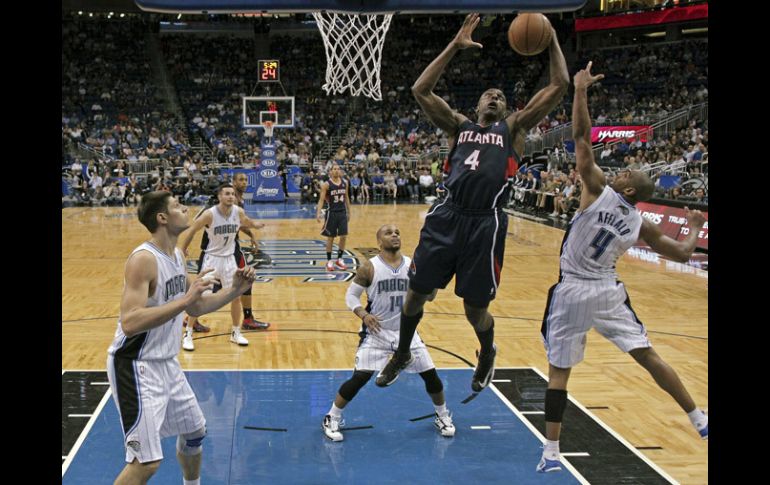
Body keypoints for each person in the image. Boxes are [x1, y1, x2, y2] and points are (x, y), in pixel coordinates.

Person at [375, 13, 569, 392]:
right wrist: (454, 45)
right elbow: (421, 90)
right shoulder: (458, 126)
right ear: (479, 104)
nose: (494, 98)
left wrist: (553, 38)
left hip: (486, 222)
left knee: (474, 310)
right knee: (415, 295)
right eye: (488, 95)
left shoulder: (513, 128)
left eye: (500, 96)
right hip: (447, 215)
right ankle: (402, 352)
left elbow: (560, 84)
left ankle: (487, 351)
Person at [536, 62, 708, 474]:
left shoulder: (597, 190)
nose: (622, 170)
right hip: (608, 291)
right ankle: (698, 417)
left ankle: (551, 451)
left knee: (559, 373)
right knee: (647, 354)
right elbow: (684, 254)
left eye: (628, 172)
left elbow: (580, 137)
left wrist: (579, 91)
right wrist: (697, 227)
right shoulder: (640, 222)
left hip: (574, 289)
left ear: (627, 189)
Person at [106, 191, 257, 485]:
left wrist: (234, 291)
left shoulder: (175, 255)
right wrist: (185, 298)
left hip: (166, 363)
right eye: (177, 206)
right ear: (162, 218)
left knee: (195, 432)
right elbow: (130, 321)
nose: (186, 208)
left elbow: (197, 306)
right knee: (146, 463)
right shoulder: (143, 260)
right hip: (135, 366)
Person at [322, 224, 455, 442]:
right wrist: (364, 315)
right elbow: (351, 298)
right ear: (379, 242)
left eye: (398, 233)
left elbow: (429, 297)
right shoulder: (369, 268)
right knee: (359, 378)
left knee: (431, 377)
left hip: (407, 333)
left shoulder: (413, 266)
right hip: (377, 332)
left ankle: (442, 416)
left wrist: (434, 281)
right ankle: (331, 416)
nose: (394, 235)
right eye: (388, 233)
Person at [178, 183, 265, 350]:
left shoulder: (237, 211)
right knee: (199, 297)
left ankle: (236, 332)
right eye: (227, 193)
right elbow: (192, 230)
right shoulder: (209, 214)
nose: (231, 196)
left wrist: (255, 225)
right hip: (211, 259)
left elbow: (246, 221)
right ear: (219, 196)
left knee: (235, 296)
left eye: (232, 193)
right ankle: (188, 333)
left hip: (229, 259)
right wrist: (182, 249)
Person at [316, 163, 351, 272]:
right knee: (330, 238)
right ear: (330, 172)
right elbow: (321, 200)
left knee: (343, 236)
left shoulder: (345, 183)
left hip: (342, 212)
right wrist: (318, 213)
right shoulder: (326, 185)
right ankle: (329, 261)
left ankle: (339, 259)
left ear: (340, 171)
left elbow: (346, 197)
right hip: (331, 213)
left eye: (338, 169)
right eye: (334, 169)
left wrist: (349, 211)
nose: (336, 171)